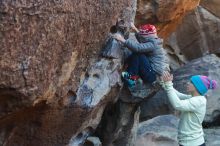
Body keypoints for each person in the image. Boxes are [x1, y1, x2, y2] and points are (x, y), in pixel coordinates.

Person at [161, 71, 217, 146]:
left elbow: (177, 104)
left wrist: (168, 85)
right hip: (191, 142)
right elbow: (179, 95)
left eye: (191, 82)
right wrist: (166, 84)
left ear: (198, 87)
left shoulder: (197, 101)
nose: (187, 83)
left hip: (191, 143)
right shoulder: (196, 98)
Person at [113, 23, 169, 88]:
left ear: (147, 36)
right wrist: (134, 29)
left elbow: (138, 47)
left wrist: (122, 40)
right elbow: (143, 40)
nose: (141, 35)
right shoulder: (154, 40)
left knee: (138, 54)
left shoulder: (153, 44)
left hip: (152, 75)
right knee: (137, 54)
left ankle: (131, 79)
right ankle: (129, 68)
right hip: (150, 71)